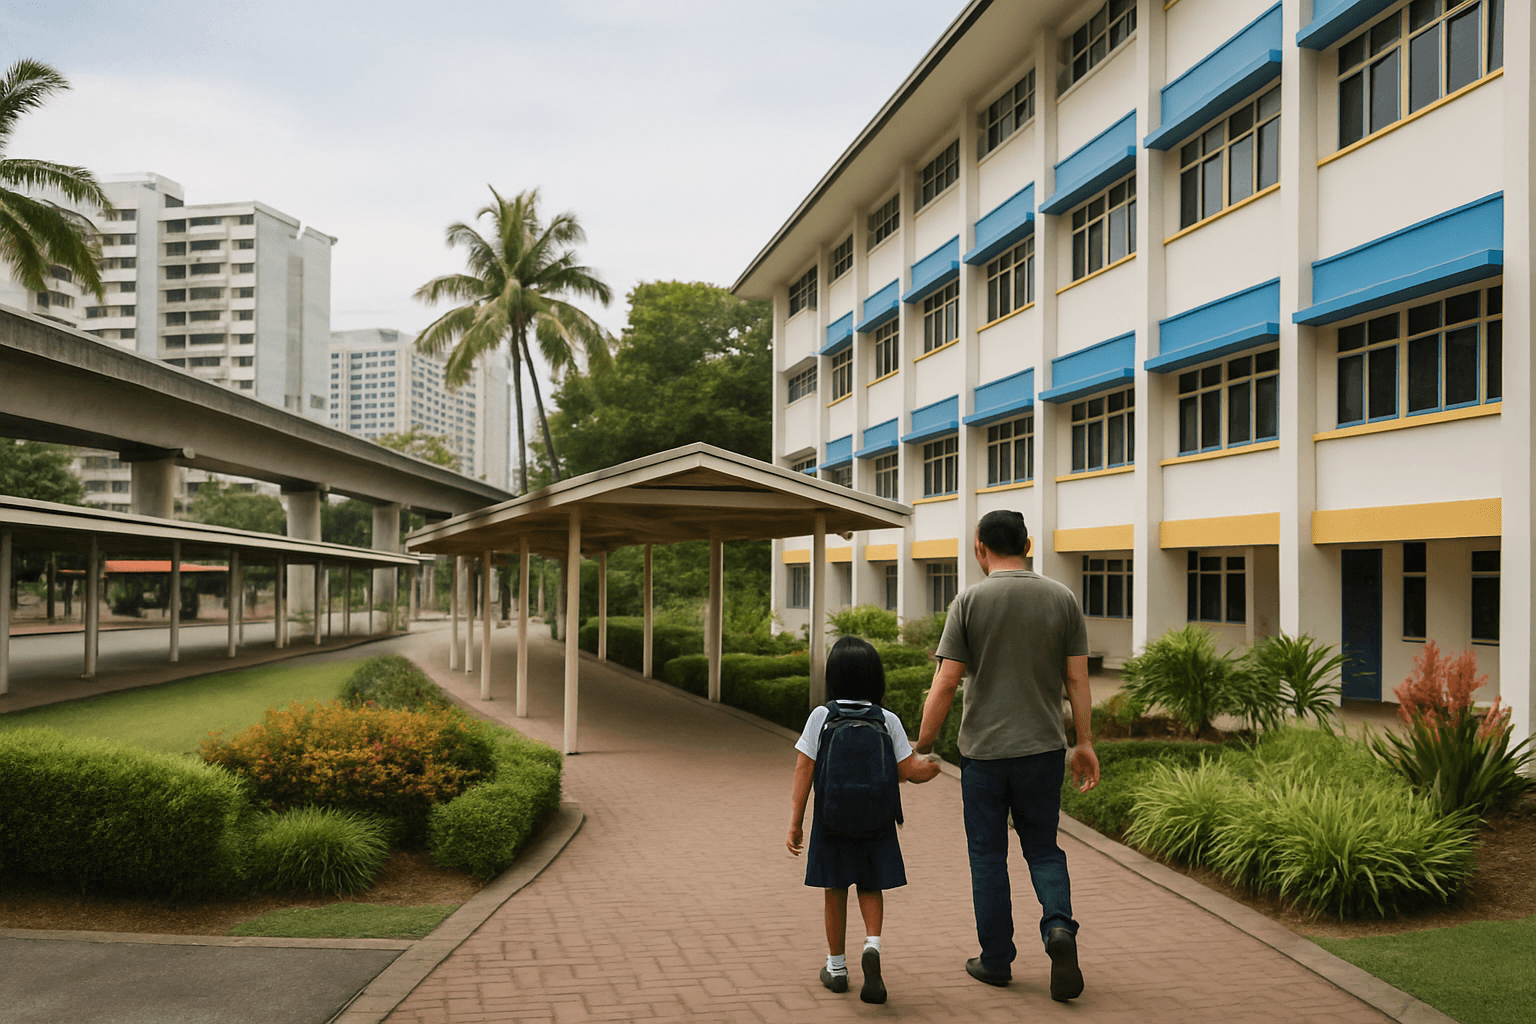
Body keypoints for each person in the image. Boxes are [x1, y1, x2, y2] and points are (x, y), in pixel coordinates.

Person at [915, 509, 1099, 1001]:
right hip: (1042, 750)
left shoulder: (969, 601)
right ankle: (1059, 928)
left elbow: (947, 681)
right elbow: (1078, 679)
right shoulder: (1062, 598)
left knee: (987, 857)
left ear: (980, 547)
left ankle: (996, 960)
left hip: (984, 755)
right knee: (1043, 848)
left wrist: (922, 745)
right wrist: (1083, 742)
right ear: (1029, 543)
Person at [787, 635, 942, 1004]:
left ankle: (836, 969)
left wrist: (796, 821)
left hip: (830, 818)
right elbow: (908, 771)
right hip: (877, 819)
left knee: (835, 888)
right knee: (870, 885)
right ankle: (872, 946)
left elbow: (803, 769)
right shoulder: (886, 720)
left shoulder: (821, 717)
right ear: (876, 677)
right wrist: (935, 767)